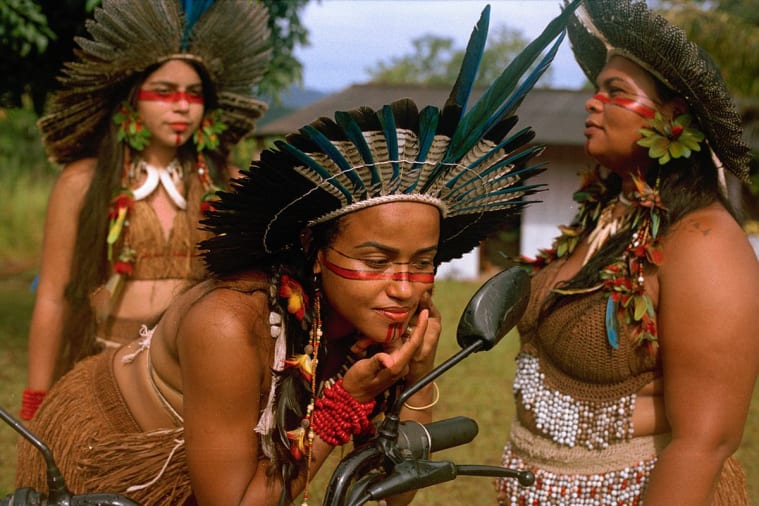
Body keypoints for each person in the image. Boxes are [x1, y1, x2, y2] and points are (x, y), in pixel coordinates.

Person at [14, 5, 581, 504]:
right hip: (114, 457)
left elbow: (387, 494)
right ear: (311, 248)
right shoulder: (230, 324)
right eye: (377, 259)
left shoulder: (367, 319)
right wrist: (342, 408)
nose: (405, 287)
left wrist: (411, 378)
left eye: (422, 262)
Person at [496, 1, 759, 504]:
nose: (593, 103)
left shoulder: (703, 242)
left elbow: (704, 441)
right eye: (597, 90)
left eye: (616, 92)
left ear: (674, 119)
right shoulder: (607, 216)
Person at [19, 0, 271, 421]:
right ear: (131, 99)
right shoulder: (83, 183)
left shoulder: (225, 181)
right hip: (105, 368)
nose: (182, 106)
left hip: (199, 370)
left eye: (194, 95)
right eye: (164, 92)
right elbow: (53, 297)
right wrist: (37, 400)